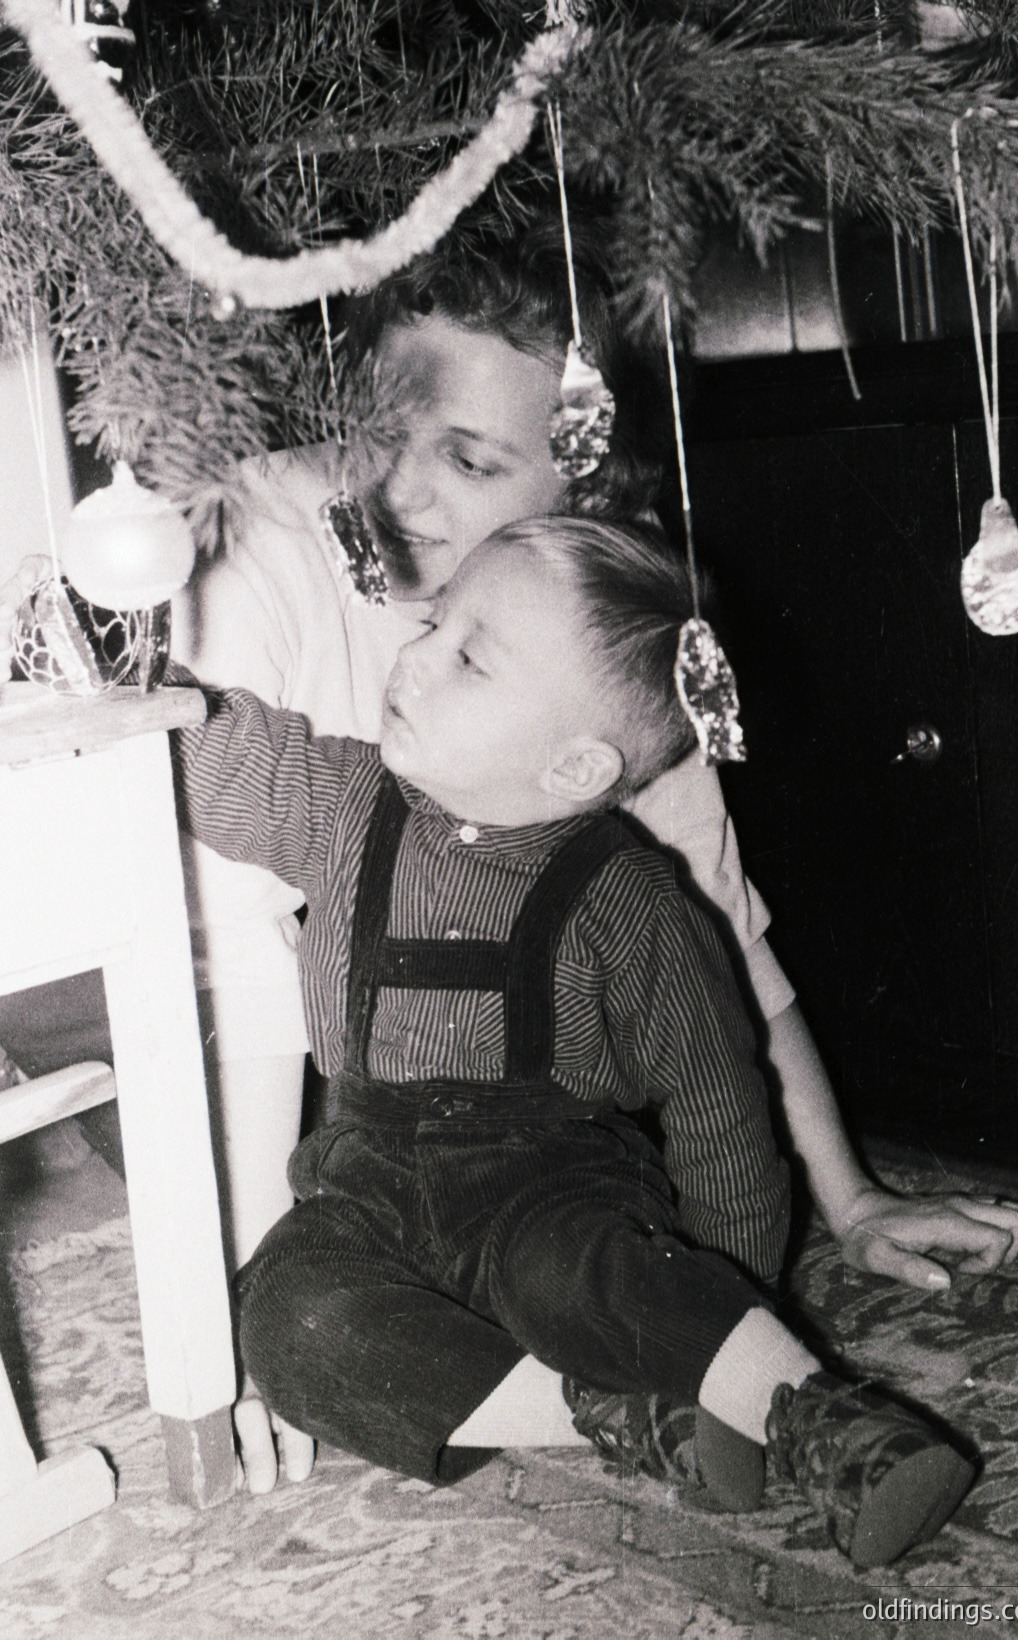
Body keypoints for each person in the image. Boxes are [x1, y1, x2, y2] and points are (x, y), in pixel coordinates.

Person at [0, 218, 1018, 1494]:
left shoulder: (595, 662)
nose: (403, 489)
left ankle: (692, 1399)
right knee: (305, 1298)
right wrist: (214, 1319)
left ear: (584, 496)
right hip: (222, 1026)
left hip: (513, 1128)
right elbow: (237, 950)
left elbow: (723, 969)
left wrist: (848, 1194)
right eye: (383, 427)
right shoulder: (255, 544)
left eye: (473, 459)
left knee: (577, 1245)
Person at [168, 516, 977, 1569]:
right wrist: (134, 668)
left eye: (468, 656)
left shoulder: (632, 896)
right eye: (433, 619)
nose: (413, 655)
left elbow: (717, 1103)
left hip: (545, 1179)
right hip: (364, 1174)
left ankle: (829, 1420)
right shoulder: (341, 800)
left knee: (584, 1274)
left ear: (575, 764)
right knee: (285, 1322)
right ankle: (622, 1409)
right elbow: (229, 758)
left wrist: (724, 1292)